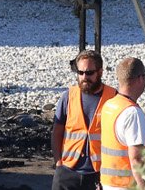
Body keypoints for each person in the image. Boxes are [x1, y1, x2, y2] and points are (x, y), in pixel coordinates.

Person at [51, 49, 117, 190]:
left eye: (89, 73)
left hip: (99, 174)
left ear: (100, 72)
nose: (84, 77)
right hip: (67, 172)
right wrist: (58, 163)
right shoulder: (68, 97)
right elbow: (57, 132)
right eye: (80, 73)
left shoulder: (113, 98)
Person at [100, 57, 145, 190]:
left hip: (108, 182)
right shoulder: (132, 113)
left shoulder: (109, 105)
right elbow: (136, 158)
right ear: (140, 79)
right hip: (126, 185)